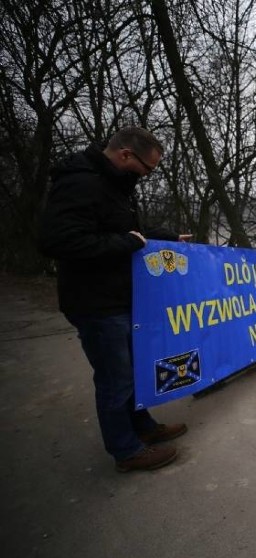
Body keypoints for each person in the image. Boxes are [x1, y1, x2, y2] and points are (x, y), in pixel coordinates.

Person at [38, 126, 191, 473]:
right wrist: (127, 244)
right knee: (115, 378)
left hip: (122, 297)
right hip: (95, 303)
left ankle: (144, 428)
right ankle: (126, 451)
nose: (148, 176)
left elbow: (127, 232)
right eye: (147, 168)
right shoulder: (80, 183)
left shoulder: (117, 185)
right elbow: (58, 242)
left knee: (134, 371)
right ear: (125, 154)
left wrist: (166, 238)